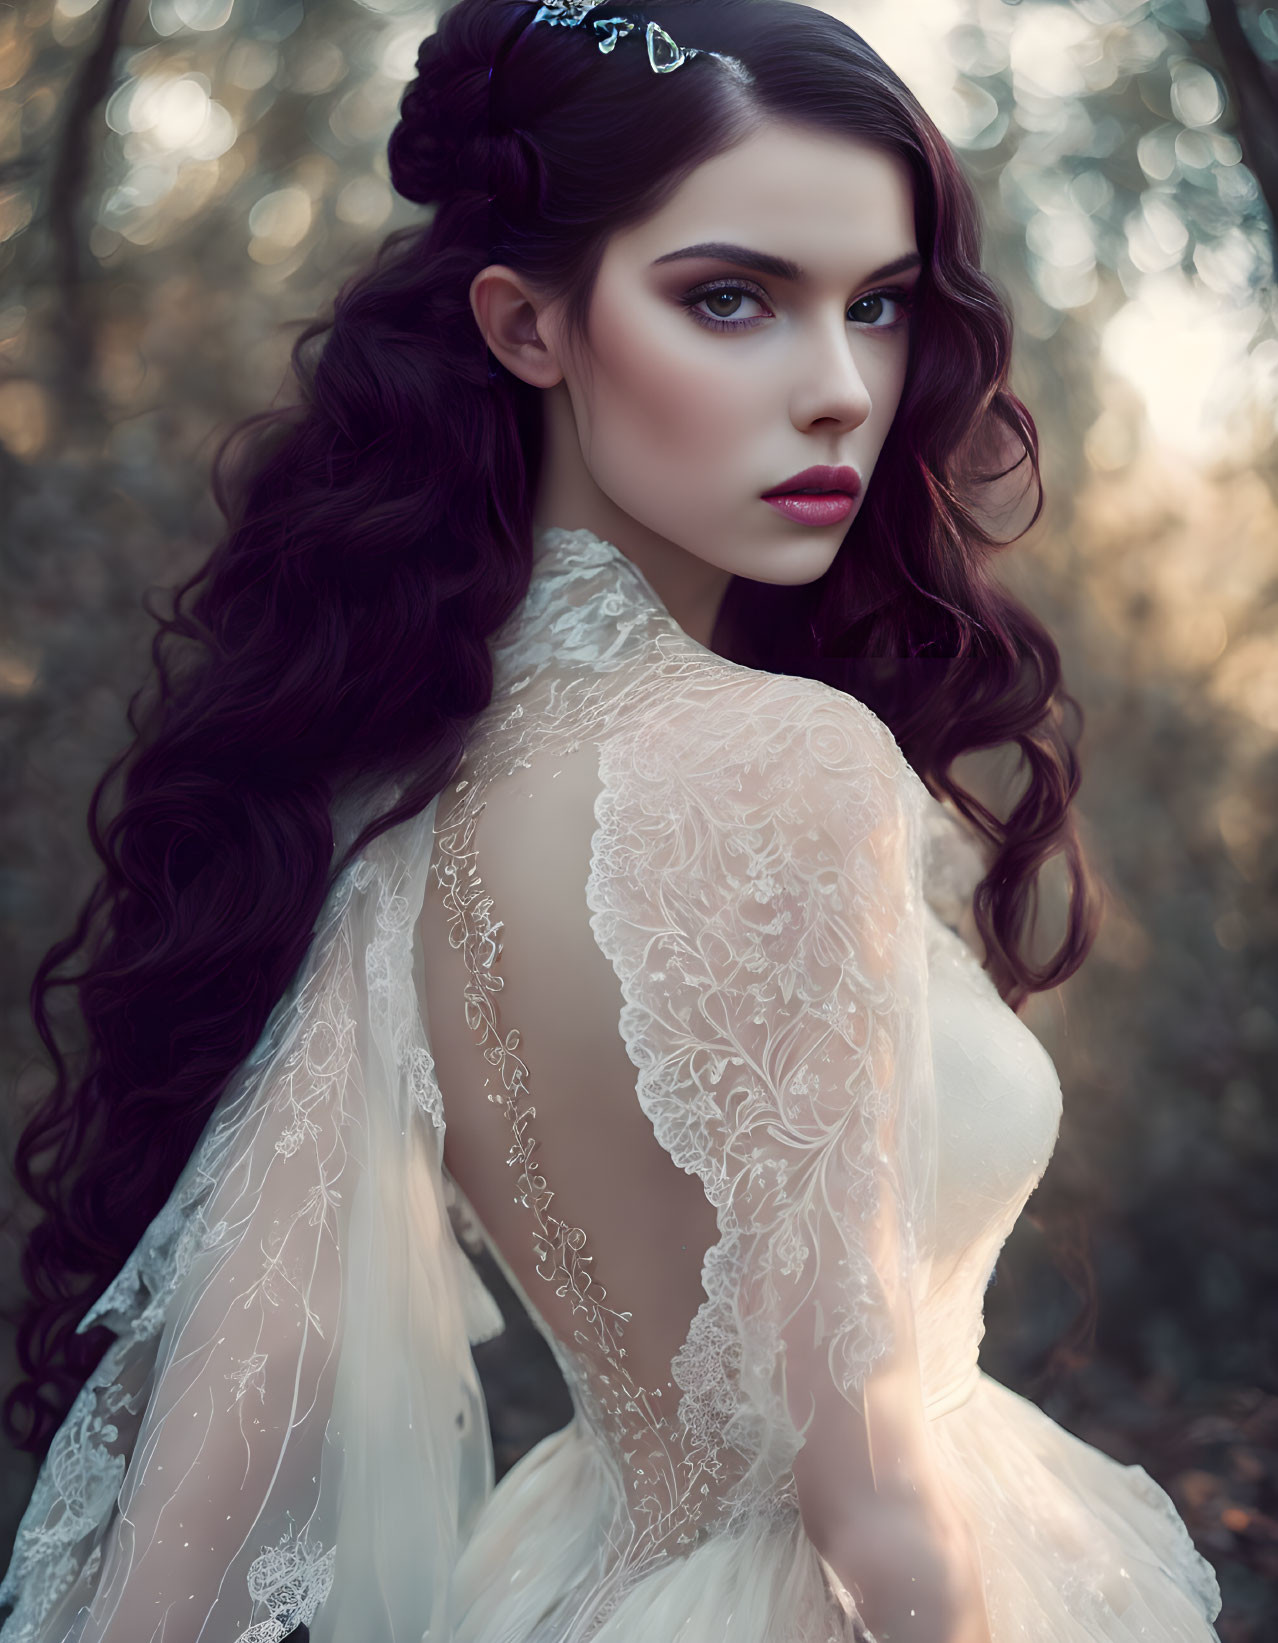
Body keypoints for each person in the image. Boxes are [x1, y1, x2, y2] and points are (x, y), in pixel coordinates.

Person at [0, 0, 1225, 1638]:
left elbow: (245, 1385)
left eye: (876, 307)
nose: (842, 391)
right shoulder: (792, 762)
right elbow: (860, 1486)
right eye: (731, 299)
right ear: (526, 326)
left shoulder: (398, 802)